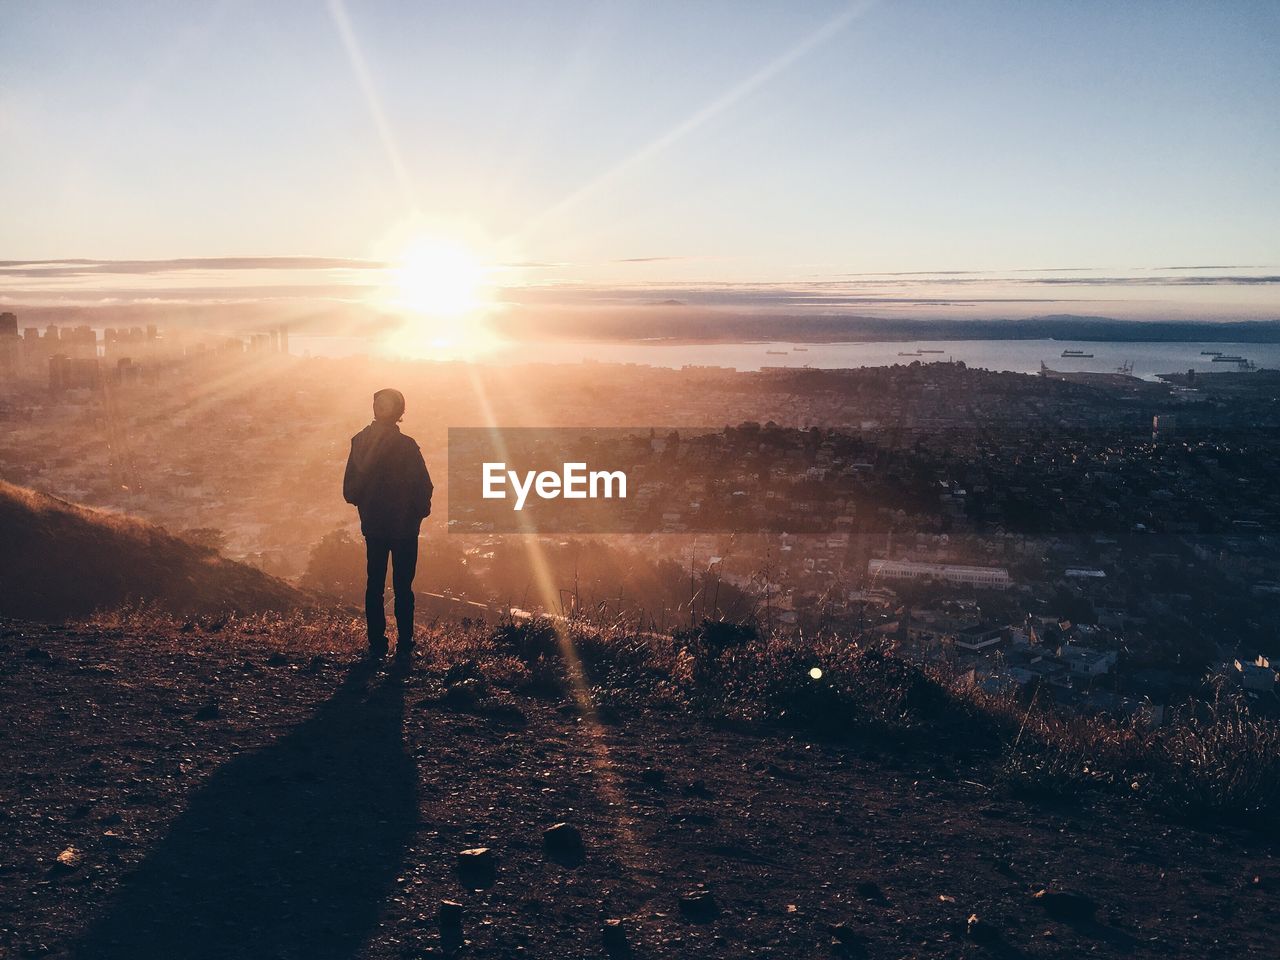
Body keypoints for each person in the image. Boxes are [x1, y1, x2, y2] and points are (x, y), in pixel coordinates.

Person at [343, 388, 433, 659]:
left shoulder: (360, 442)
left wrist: (368, 505)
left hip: (374, 526)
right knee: (403, 586)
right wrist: (417, 512)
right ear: (400, 412)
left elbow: (350, 490)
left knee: (375, 584)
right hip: (404, 528)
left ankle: (376, 643)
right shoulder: (407, 446)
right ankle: (405, 643)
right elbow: (424, 486)